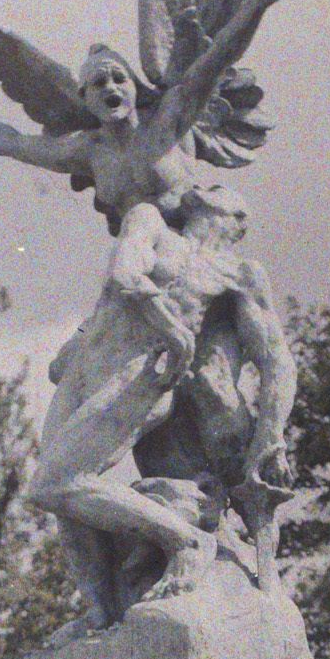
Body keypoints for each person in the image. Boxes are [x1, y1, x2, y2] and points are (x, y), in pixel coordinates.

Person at [29, 185, 296, 634]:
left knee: (54, 484)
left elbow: (276, 358)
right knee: (64, 501)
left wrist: (272, 434)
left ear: (235, 217)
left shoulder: (238, 272)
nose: (199, 188)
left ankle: (186, 542)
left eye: (217, 190)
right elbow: (123, 275)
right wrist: (168, 327)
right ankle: (101, 612)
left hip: (141, 373)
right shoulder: (149, 218)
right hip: (86, 371)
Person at [0, 0, 287, 234]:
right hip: (148, 254)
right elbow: (8, 141)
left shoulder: (168, 120)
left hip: (204, 231)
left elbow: (217, 58)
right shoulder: (85, 151)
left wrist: (257, 4)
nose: (110, 88)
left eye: (118, 79)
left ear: (133, 88)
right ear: (85, 98)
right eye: (98, 84)